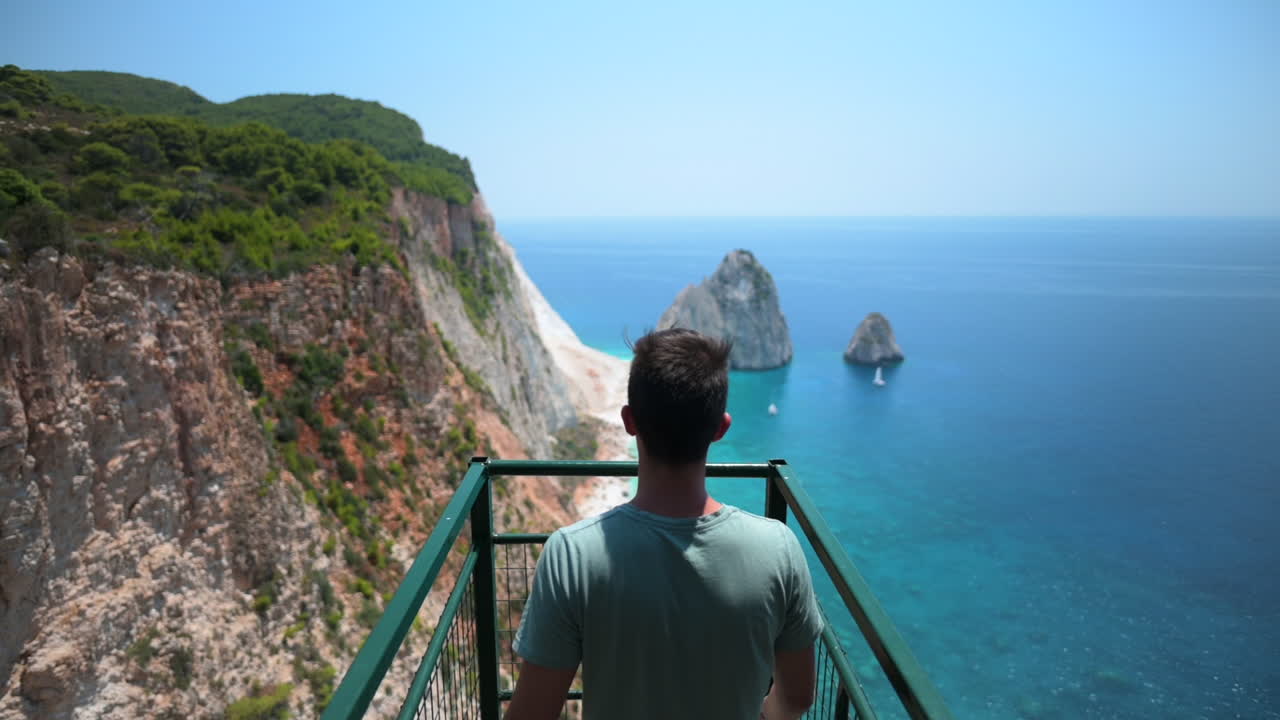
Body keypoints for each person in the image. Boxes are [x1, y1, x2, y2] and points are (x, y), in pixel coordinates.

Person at [505, 328, 823, 720]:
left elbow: (532, 714)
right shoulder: (779, 548)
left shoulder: (572, 554)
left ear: (629, 421)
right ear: (721, 428)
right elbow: (798, 697)